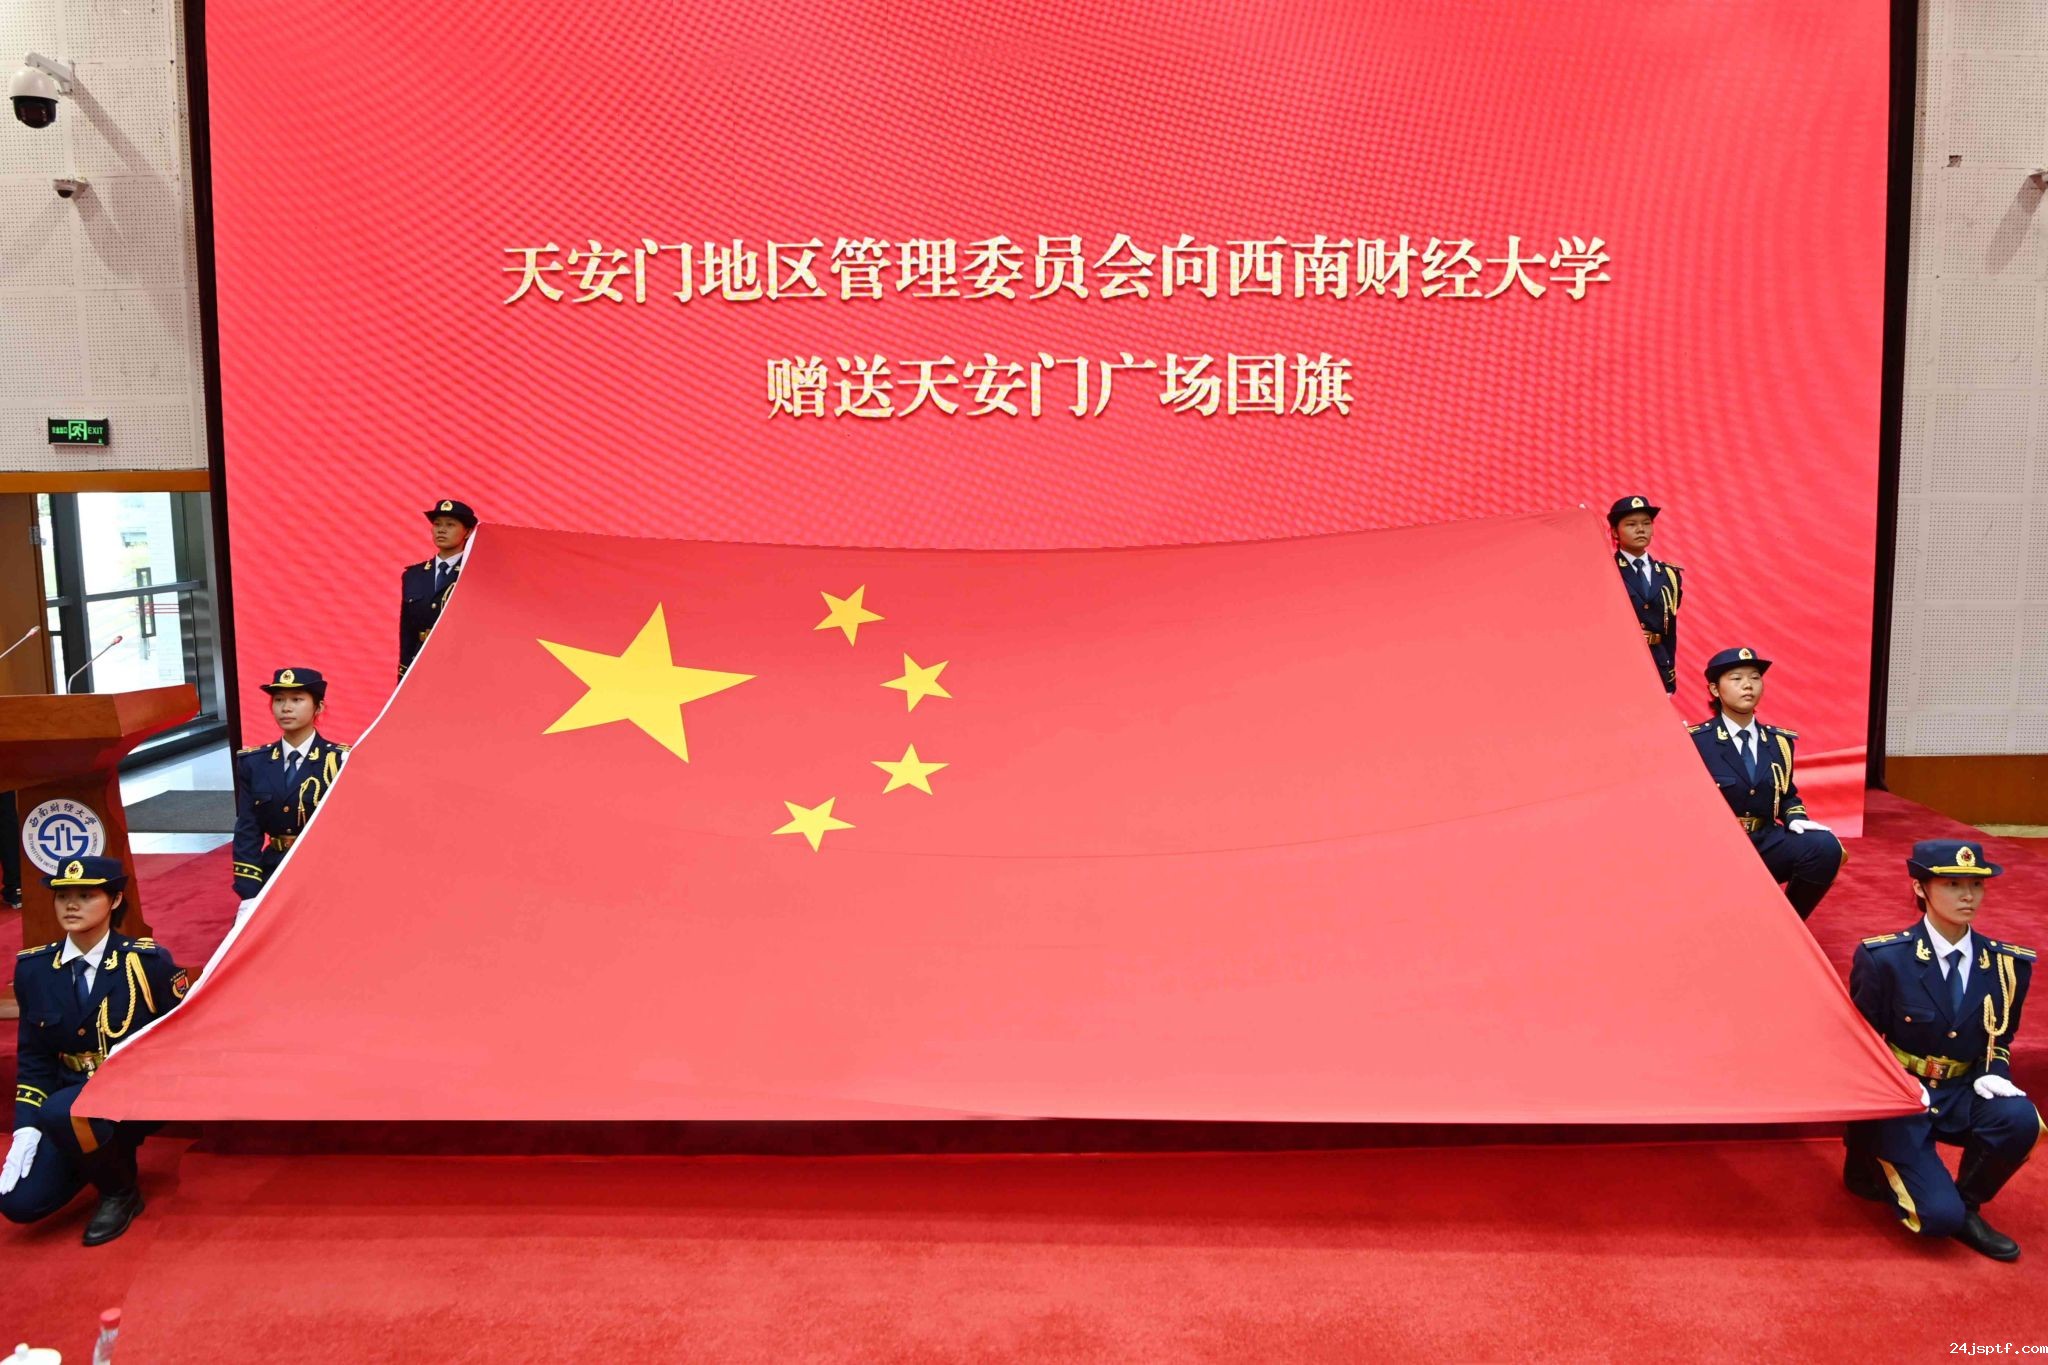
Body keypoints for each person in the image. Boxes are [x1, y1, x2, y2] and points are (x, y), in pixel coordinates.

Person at [1843, 840, 2036, 1261]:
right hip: (1902, 1098)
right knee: (1936, 1219)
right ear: (1920, 887)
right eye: (1952, 884)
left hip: (1961, 1090)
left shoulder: (2007, 966)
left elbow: (2000, 1039)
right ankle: (1872, 1156)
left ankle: (1968, 1204)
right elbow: (1861, 1040)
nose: (1968, 896)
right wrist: (1896, 1084)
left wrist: (1994, 1072)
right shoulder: (1886, 959)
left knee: (2021, 1119)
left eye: (1976, 884)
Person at [1, 855, 188, 1244]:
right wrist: (25, 1127)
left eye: (86, 896)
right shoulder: (35, 969)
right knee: (20, 1204)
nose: (71, 905)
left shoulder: (145, 962)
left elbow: (178, 1035)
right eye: (62, 896)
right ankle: (99, 1155)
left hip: (134, 1094)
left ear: (115, 900)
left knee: (63, 1110)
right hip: (72, 1102)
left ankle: (120, 1192)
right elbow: (35, 1057)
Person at [1689, 646, 1842, 919]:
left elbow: (1787, 794)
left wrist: (1795, 817)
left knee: (1825, 846)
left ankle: (1787, 924)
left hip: (1764, 841)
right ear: (1714, 690)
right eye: (1736, 678)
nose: (1748, 685)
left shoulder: (1778, 742)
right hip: (1714, 846)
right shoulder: (1695, 741)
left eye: (1755, 677)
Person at [231, 668, 347, 906]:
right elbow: (247, 828)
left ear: (318, 707)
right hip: (273, 870)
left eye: (297, 700)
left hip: (323, 873)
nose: (286, 708)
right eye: (279, 700)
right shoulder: (254, 762)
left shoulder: (339, 761)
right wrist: (249, 890)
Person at [1608, 495, 1681, 694]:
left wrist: (1669, 670)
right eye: (1631, 524)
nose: (1641, 529)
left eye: (1646, 523)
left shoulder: (1669, 575)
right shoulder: (1606, 570)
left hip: (1657, 664)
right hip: (1619, 663)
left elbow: (1670, 629)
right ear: (1614, 531)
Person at [400, 497, 476, 679]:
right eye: (437, 524)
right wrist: (404, 675)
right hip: (421, 665)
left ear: (467, 532)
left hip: (461, 666)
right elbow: (407, 632)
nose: (441, 530)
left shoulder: (474, 573)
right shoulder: (414, 575)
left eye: (450, 525)